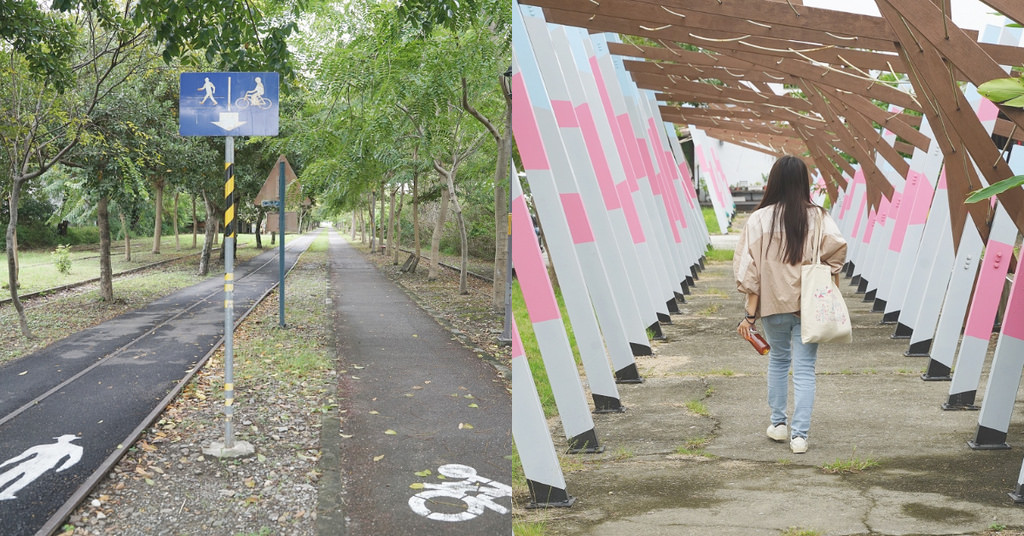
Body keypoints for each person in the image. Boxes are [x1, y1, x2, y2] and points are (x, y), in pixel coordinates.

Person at [733, 155, 847, 454]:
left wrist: (749, 314)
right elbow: (836, 254)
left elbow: (750, 272)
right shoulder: (819, 217)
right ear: (804, 182)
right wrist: (827, 285)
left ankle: (779, 425)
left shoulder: (758, 219)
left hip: (773, 306)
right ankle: (800, 437)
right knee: (806, 369)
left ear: (774, 182)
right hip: (810, 306)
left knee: (779, 362)